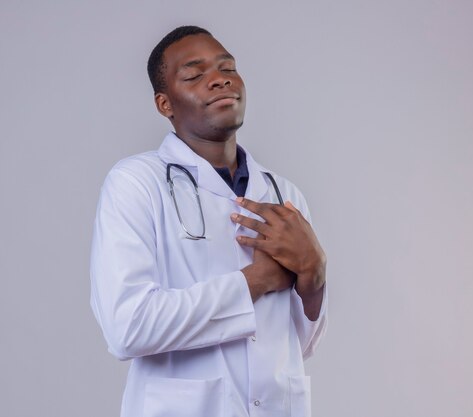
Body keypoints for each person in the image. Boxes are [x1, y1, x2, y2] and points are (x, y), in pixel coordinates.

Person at [90, 25, 327, 417]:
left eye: (228, 68)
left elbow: (296, 346)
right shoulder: (136, 183)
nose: (220, 80)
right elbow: (127, 327)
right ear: (165, 104)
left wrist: (314, 274)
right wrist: (258, 280)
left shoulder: (284, 195)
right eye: (195, 75)